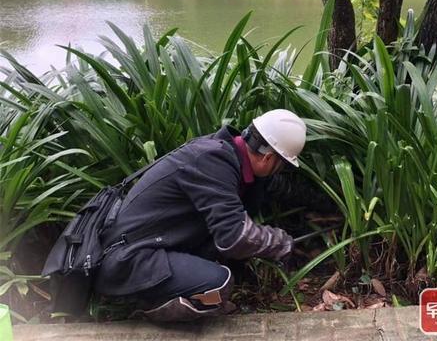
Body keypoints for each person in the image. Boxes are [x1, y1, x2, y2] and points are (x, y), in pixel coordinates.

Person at [94, 109, 306, 322]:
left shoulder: (230, 156)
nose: (279, 171)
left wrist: (320, 203)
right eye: (282, 165)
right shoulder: (213, 161)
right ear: (268, 158)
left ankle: (170, 292)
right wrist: (283, 244)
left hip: (151, 248)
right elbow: (234, 237)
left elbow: (279, 188)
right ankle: (145, 308)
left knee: (215, 262)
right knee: (218, 284)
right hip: (130, 260)